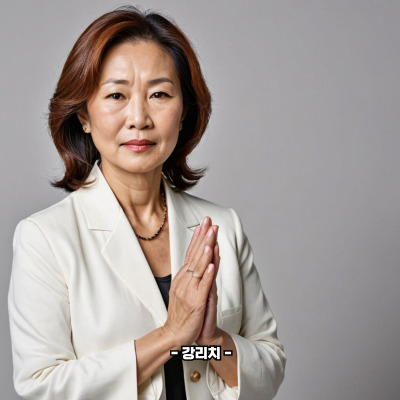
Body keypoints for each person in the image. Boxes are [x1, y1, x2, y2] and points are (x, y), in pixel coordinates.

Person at [8, 6, 286, 400]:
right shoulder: (45, 238)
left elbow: (268, 368)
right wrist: (171, 335)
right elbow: (42, 385)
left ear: (184, 111)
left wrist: (208, 341)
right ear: (83, 115)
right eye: (116, 95)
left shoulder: (222, 225)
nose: (138, 118)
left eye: (159, 94)